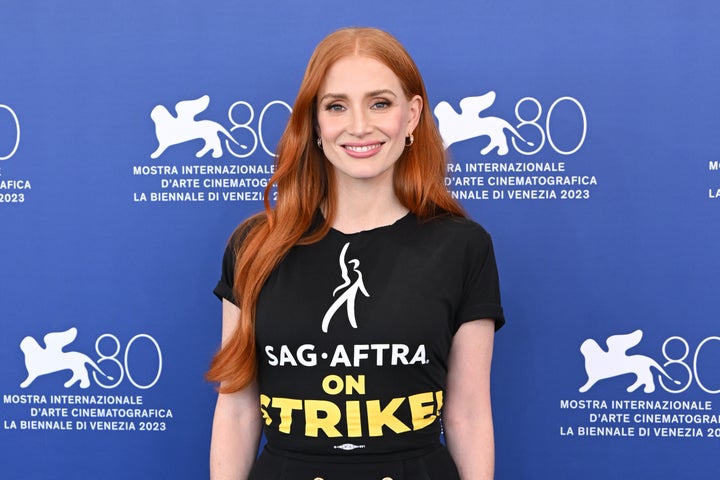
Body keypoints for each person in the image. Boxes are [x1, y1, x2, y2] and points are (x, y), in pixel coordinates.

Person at [207, 26, 504, 480]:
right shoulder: (254, 245)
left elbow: (467, 413)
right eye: (337, 106)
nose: (359, 126)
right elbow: (237, 411)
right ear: (314, 122)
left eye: (380, 103)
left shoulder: (462, 246)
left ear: (411, 116)